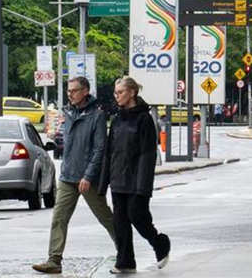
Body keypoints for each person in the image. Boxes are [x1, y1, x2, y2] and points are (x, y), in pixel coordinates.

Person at [32, 77, 116, 274]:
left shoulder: (96, 116)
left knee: (105, 217)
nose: (70, 94)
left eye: (74, 91)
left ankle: (125, 251)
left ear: (85, 91)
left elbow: (99, 150)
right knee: (59, 217)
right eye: (69, 91)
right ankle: (54, 259)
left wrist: (88, 176)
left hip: (88, 178)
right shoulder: (68, 112)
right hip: (68, 176)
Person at [100, 76, 171, 274]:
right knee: (120, 223)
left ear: (132, 92)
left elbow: (148, 155)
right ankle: (126, 262)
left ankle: (160, 244)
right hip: (117, 179)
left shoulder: (145, 119)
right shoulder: (116, 120)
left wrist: (143, 186)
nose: (117, 97)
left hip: (136, 181)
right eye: (115, 93)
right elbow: (109, 152)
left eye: (120, 92)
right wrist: (103, 183)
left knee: (137, 217)